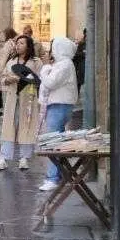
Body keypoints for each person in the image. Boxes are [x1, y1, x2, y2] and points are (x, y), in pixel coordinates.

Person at [0, 35, 44, 171]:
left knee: (26, 125)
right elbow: (3, 77)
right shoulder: (11, 61)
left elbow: (40, 79)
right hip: (12, 98)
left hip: (28, 98)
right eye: (17, 43)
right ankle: (4, 157)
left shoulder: (36, 62)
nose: (18, 45)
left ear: (28, 46)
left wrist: (27, 79)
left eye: (21, 43)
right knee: (8, 126)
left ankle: (24, 158)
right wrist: (8, 80)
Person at [38, 37, 80, 191]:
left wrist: (44, 70)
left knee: (52, 141)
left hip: (59, 105)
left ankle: (53, 177)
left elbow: (50, 82)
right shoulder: (62, 64)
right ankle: (59, 173)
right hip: (58, 104)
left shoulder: (65, 65)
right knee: (57, 141)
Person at [73, 29, 87, 94]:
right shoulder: (81, 44)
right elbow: (76, 55)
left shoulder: (83, 44)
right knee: (79, 82)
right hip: (81, 66)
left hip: (84, 66)